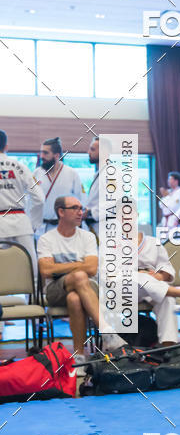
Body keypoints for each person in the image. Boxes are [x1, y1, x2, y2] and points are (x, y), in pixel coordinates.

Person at [37, 196, 126, 363]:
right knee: (79, 275)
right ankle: (107, 332)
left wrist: (60, 267)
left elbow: (92, 268)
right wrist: (78, 264)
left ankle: (78, 356)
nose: (81, 212)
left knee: (75, 297)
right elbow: (46, 270)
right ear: (61, 212)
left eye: (81, 208)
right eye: (75, 208)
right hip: (55, 291)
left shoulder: (88, 237)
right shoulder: (46, 239)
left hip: (88, 287)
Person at [137, 231, 180, 344]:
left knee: (168, 299)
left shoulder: (153, 242)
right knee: (139, 277)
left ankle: (168, 346)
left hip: (154, 288)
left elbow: (166, 268)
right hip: (126, 291)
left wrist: (159, 276)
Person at [0, 129, 44, 269]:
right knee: (30, 268)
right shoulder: (21, 167)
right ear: (6, 146)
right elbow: (39, 198)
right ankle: (33, 292)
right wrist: (34, 223)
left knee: (2, 270)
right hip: (21, 223)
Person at [33, 137, 84, 236]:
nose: (41, 156)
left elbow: (80, 200)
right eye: (41, 152)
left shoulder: (71, 173)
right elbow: (31, 201)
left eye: (45, 153)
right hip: (41, 227)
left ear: (56, 155)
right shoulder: (37, 173)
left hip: (65, 226)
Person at [82, 136, 100, 234]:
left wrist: (88, 213)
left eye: (92, 149)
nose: (88, 152)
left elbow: (113, 205)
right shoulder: (98, 174)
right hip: (95, 228)